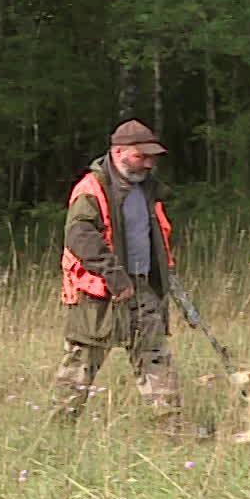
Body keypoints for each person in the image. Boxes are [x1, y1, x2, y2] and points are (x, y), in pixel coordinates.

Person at [52, 118, 182, 426]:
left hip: (142, 288)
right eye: (142, 156)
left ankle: (172, 428)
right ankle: (59, 430)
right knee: (81, 362)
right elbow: (79, 236)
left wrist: (164, 281)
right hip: (98, 294)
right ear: (119, 152)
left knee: (155, 357)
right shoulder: (91, 188)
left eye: (152, 157)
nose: (149, 163)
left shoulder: (147, 189)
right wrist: (114, 275)